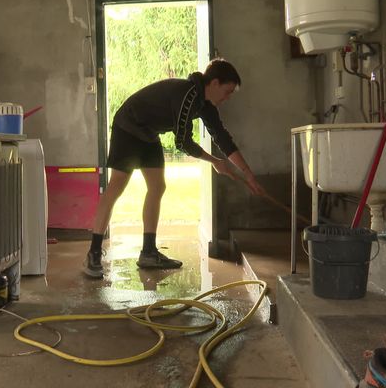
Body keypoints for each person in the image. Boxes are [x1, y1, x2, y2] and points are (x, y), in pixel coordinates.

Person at [84, 58, 266, 279]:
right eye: (227, 92)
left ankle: (148, 252)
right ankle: (93, 253)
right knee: (116, 188)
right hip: (128, 127)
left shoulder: (205, 104)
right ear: (215, 83)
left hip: (148, 134)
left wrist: (248, 175)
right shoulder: (188, 94)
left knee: (157, 187)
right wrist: (215, 162)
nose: (227, 98)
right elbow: (183, 143)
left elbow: (223, 138)